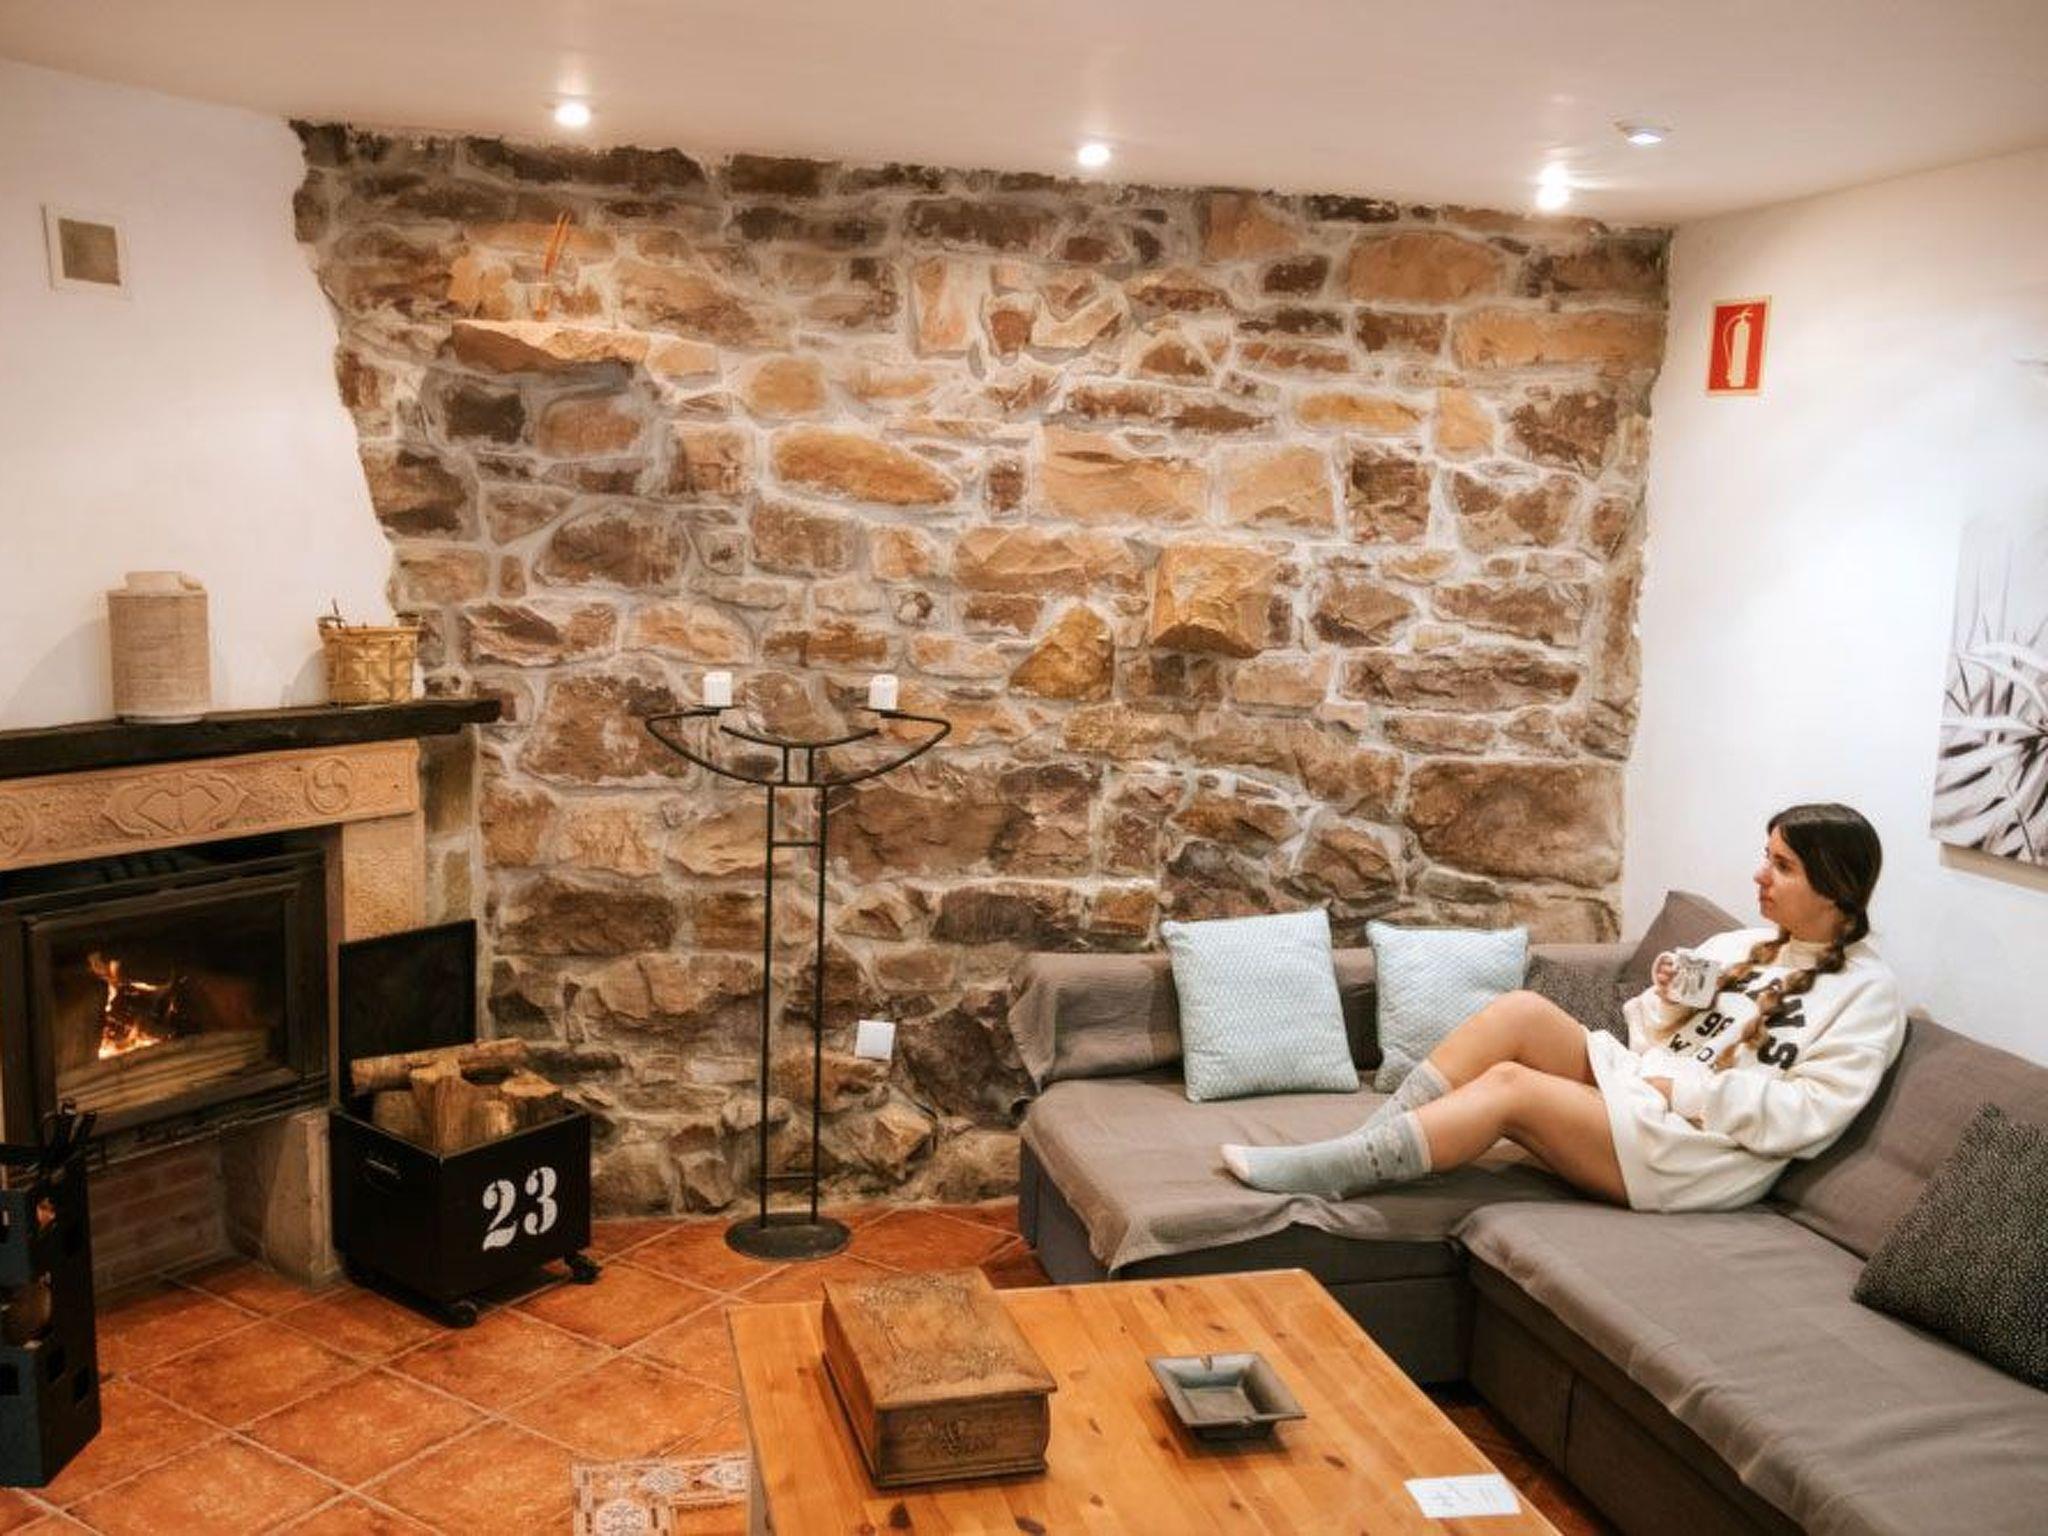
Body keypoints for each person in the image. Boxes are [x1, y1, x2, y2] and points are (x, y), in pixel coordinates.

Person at [1220, 803, 1907, 1212]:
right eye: (1766, 857)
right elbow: (1650, 1032)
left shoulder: (1868, 995)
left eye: (1783, 866)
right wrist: (1669, 998)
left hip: (1696, 1153)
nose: (1760, 875)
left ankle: (1341, 1172)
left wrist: (1686, 1092)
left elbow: (1812, 1116)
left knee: (1511, 1087)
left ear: (1834, 885)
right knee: (1520, 1011)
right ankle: (1359, 1146)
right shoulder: (1742, 944)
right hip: (1644, 1092)